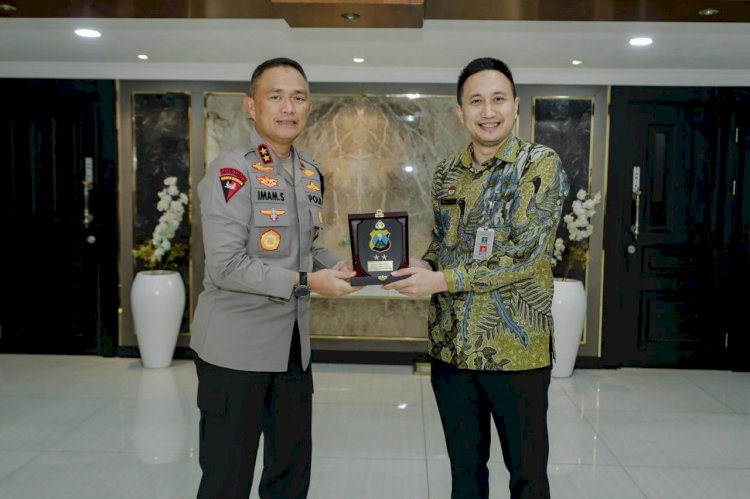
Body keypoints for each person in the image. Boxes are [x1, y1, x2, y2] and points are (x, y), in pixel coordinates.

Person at [385, 57, 569, 499]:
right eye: (476, 101)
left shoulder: (539, 164)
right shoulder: (447, 172)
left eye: (498, 99)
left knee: (527, 476)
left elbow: (523, 255)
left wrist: (442, 280)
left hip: (516, 354)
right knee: (464, 475)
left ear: (516, 105)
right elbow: (444, 242)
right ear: (460, 111)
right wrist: (426, 266)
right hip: (451, 350)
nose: (488, 112)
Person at [190, 57, 361, 499]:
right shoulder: (231, 171)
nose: (289, 107)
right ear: (251, 106)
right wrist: (308, 282)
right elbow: (226, 266)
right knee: (227, 479)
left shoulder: (309, 173)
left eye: (298, 97)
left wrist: (344, 266)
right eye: (276, 96)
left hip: (292, 353)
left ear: (309, 107)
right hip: (235, 352)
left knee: (290, 474)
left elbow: (308, 248)